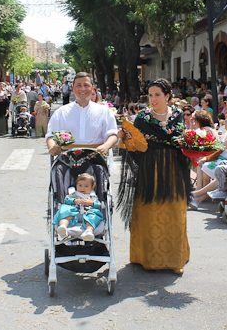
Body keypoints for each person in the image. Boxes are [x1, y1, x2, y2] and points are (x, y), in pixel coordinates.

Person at [117, 78, 191, 274]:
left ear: (167, 96)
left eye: (157, 94)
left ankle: (175, 260)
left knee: (174, 211)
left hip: (173, 170)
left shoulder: (178, 115)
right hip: (149, 169)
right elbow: (135, 146)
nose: (153, 99)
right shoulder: (142, 117)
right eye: (150, 95)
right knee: (149, 212)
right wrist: (125, 139)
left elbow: (182, 141)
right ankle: (147, 258)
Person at [46, 72, 118, 156]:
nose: (83, 89)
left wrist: (106, 146)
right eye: (79, 85)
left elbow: (112, 133)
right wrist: (52, 147)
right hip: (67, 159)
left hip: (96, 157)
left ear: (92, 88)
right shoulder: (60, 112)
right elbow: (51, 135)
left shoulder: (104, 111)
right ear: (73, 89)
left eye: (86, 85)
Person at [53, 173, 103, 242]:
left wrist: (91, 203)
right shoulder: (73, 194)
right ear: (76, 185)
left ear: (92, 187)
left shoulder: (92, 196)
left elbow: (98, 205)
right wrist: (74, 201)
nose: (82, 188)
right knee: (65, 210)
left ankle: (88, 231)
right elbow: (66, 200)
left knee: (94, 215)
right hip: (74, 214)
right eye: (80, 185)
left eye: (86, 186)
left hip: (88, 214)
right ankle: (63, 227)